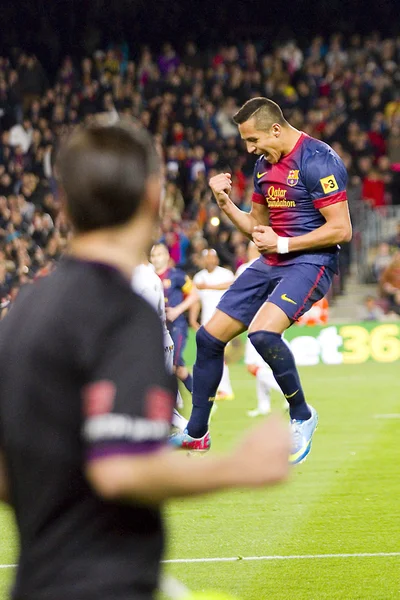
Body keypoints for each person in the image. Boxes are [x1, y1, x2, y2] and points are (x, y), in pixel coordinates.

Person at [0, 123, 290, 600]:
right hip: (105, 583)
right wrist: (241, 467)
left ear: (64, 205)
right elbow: (120, 471)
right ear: (153, 198)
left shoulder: (26, 306)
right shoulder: (123, 308)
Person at [171, 97, 352, 465]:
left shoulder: (318, 159)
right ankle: (196, 433)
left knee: (263, 333)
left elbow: (341, 229)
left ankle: (302, 415)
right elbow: (257, 227)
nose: (250, 149)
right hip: (271, 261)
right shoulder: (262, 166)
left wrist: (282, 242)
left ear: (275, 128)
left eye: (253, 140)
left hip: (311, 261)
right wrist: (224, 203)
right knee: (207, 338)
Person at [132, 257, 188, 428]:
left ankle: (193, 433)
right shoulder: (150, 275)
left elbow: (146, 316)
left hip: (151, 343)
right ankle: (191, 432)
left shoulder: (139, 278)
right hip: (161, 340)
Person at [236, 242, 285, 417]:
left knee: (253, 365)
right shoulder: (275, 266)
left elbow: (239, 295)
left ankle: (288, 395)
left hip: (259, 320)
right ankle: (263, 405)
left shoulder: (246, 268)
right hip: (274, 318)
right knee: (262, 365)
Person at [150, 242, 198, 393]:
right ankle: (194, 399)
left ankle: (196, 400)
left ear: (166, 256)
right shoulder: (148, 277)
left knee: (174, 365)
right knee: (176, 369)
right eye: (153, 255)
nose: (156, 259)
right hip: (156, 327)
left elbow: (194, 294)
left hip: (176, 325)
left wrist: (178, 310)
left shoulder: (176, 275)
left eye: (159, 254)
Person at [190, 249, 235, 401]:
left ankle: (225, 389)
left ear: (217, 260)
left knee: (218, 354)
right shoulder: (198, 277)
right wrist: (192, 319)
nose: (210, 261)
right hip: (206, 322)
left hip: (223, 319)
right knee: (209, 356)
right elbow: (196, 299)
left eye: (213, 258)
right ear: (203, 261)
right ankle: (217, 389)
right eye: (207, 259)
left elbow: (232, 284)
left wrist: (208, 286)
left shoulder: (225, 274)